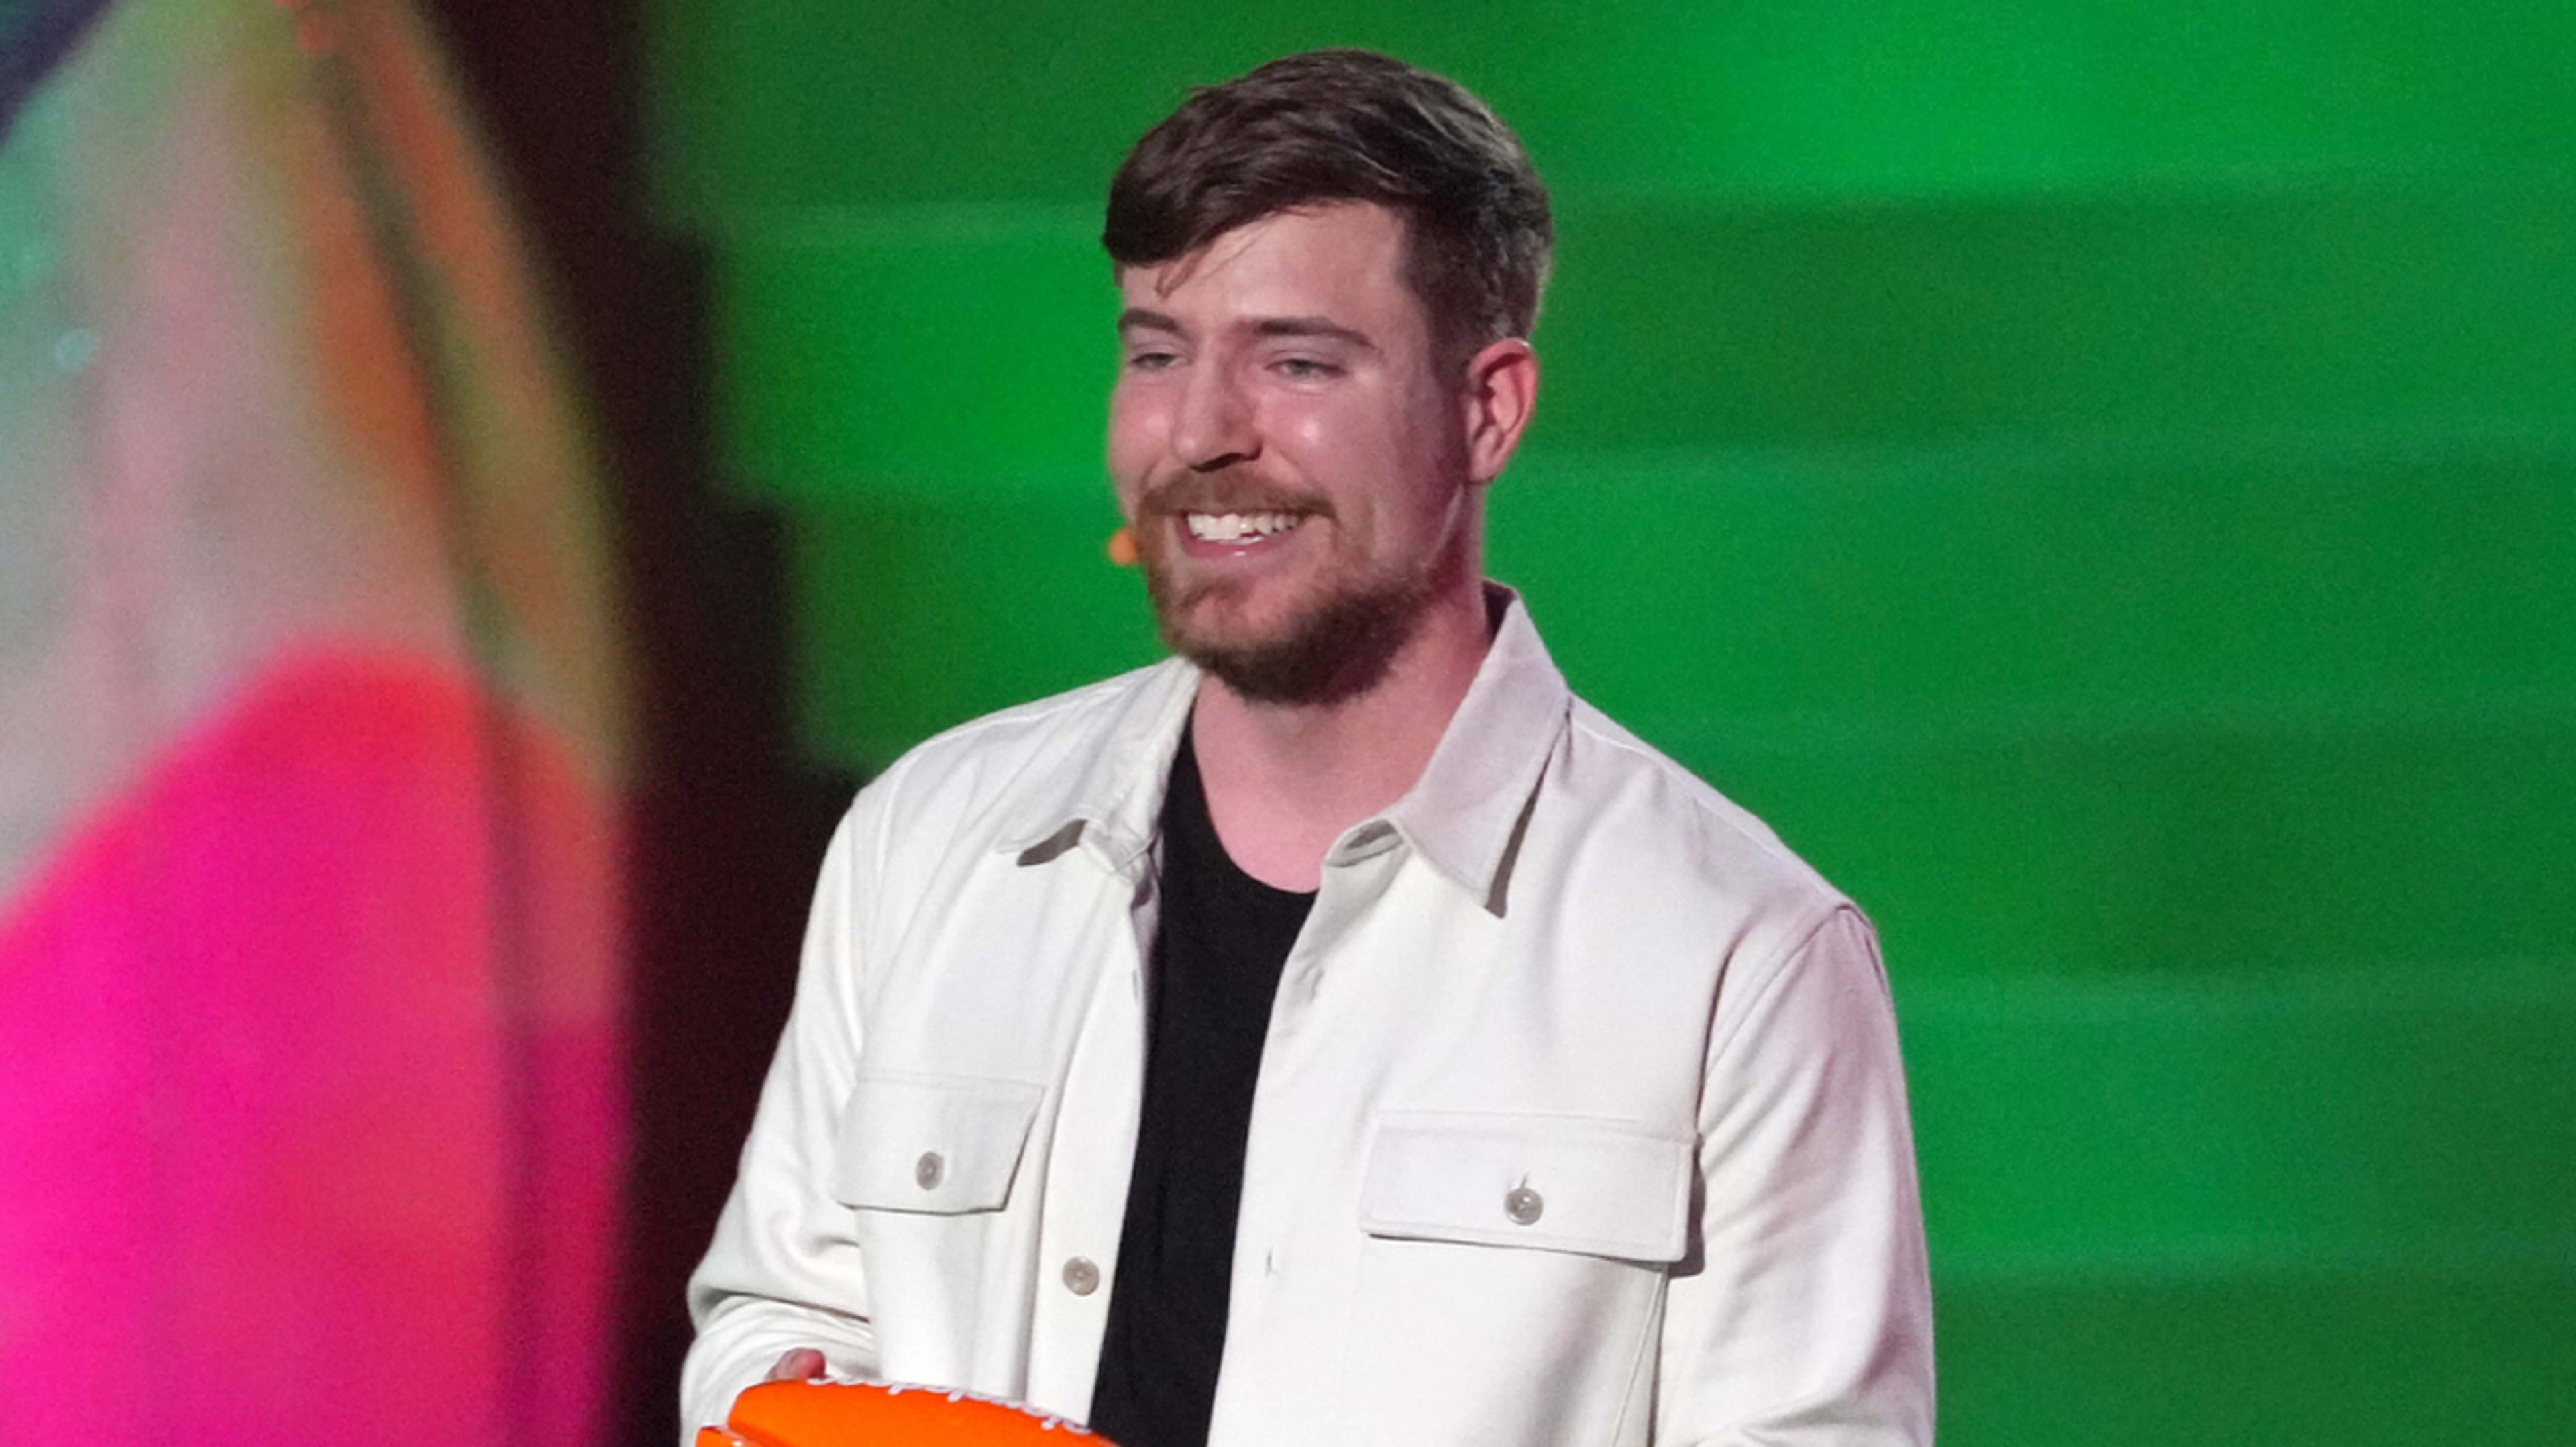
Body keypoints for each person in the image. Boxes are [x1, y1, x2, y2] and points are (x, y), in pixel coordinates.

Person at [683, 48, 1933, 1447]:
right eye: (1158, 350)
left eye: (1296, 361)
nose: (1202, 432)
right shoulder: (930, 839)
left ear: (1487, 409)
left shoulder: (1735, 954)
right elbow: (773, 1318)